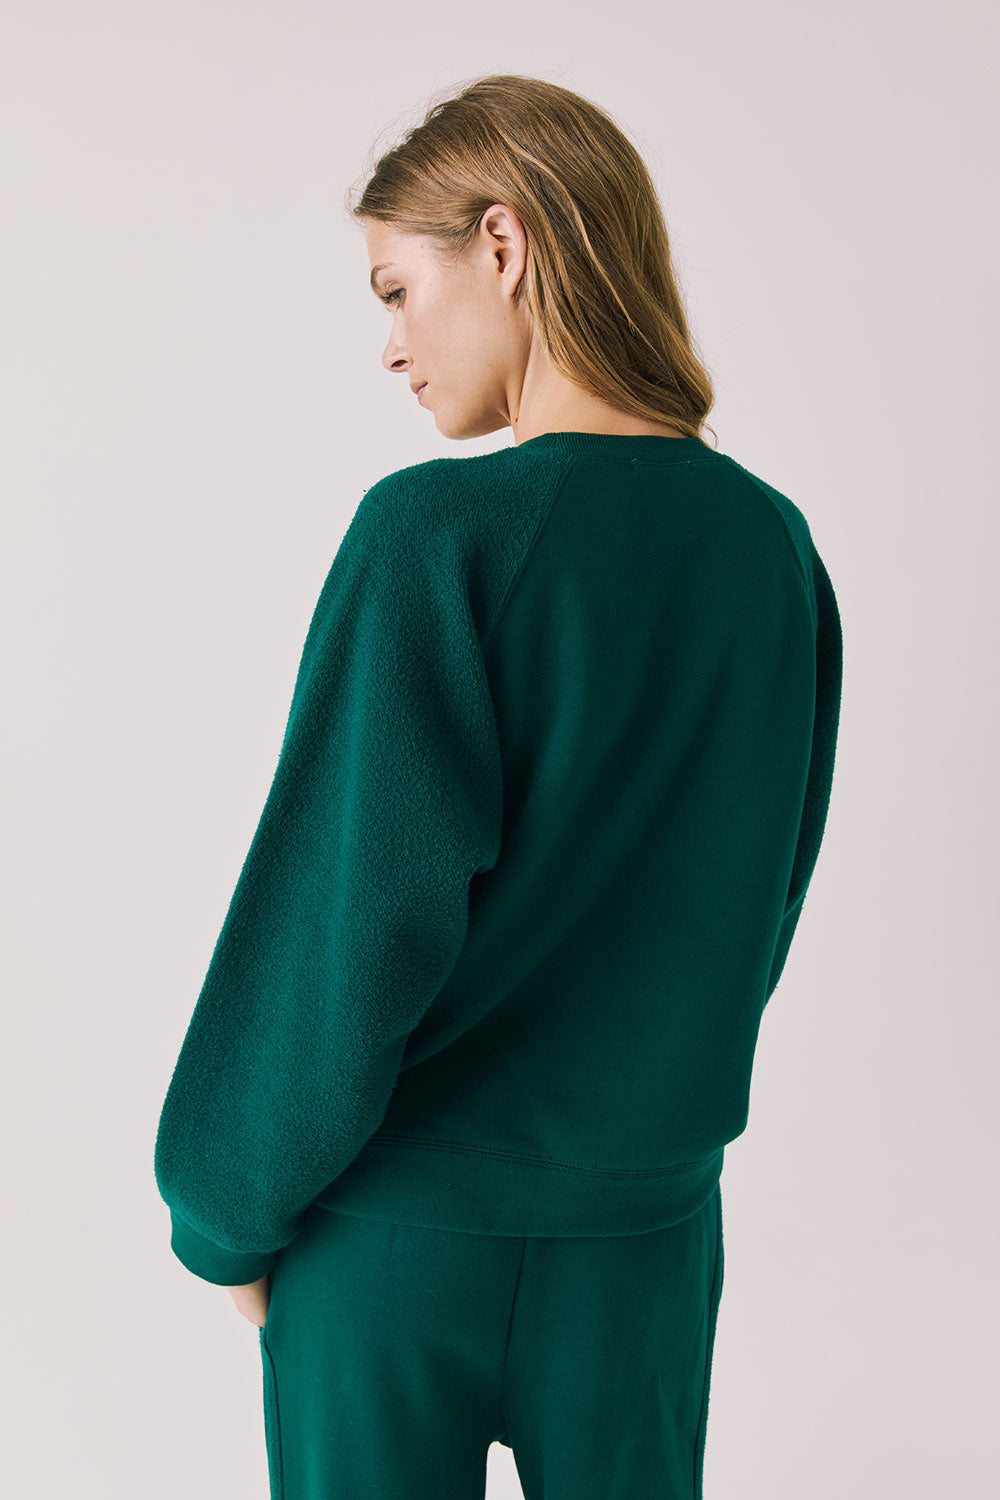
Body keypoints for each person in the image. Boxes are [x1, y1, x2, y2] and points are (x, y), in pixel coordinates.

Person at [154, 72, 843, 1499]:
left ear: (506, 245)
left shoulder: (437, 533)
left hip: (397, 1240)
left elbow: (346, 914)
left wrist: (224, 1210)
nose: (390, 347)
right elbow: (756, 902)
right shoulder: (772, 551)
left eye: (397, 290)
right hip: (643, 1243)